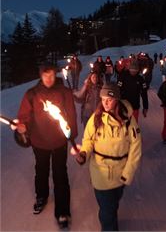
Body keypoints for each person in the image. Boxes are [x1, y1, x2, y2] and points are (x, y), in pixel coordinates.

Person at [15, 63, 78, 229]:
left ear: (55, 74)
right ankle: (41, 196)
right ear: (40, 75)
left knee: (60, 174)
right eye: (45, 75)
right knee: (41, 170)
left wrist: (72, 135)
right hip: (39, 141)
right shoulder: (32, 94)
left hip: (59, 142)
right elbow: (24, 116)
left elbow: (71, 114)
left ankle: (62, 210)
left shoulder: (64, 92)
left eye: (51, 75)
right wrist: (22, 126)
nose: (49, 79)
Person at [74, 82, 142, 231]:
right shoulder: (96, 118)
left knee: (113, 204)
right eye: (103, 98)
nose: (105, 102)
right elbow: (88, 140)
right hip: (101, 173)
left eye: (109, 99)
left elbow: (136, 148)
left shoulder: (128, 119)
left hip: (120, 173)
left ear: (116, 99)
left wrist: (127, 173)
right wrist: (84, 153)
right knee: (107, 210)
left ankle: (110, 219)